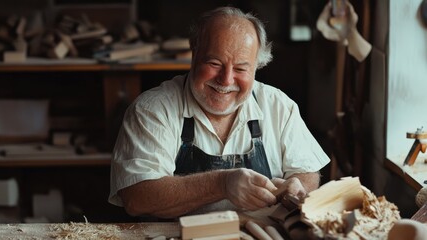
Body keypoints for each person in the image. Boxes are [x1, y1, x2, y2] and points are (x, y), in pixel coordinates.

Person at [109, 6, 330, 219]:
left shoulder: (278, 105)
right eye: (215, 63)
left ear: (258, 66)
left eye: (241, 68)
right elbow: (137, 197)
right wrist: (222, 184)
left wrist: (297, 185)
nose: (226, 80)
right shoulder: (152, 110)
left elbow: (306, 171)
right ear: (194, 52)